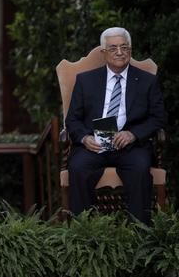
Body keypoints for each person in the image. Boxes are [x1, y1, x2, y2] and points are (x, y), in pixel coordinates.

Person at [66, 27, 166, 224]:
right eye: (113, 48)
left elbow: (159, 117)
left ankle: (140, 233)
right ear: (104, 52)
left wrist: (133, 134)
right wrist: (85, 139)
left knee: (140, 167)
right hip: (94, 144)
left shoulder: (147, 81)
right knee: (78, 167)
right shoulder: (85, 80)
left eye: (124, 47)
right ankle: (82, 232)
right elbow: (72, 120)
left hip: (130, 146)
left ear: (130, 50)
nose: (119, 52)